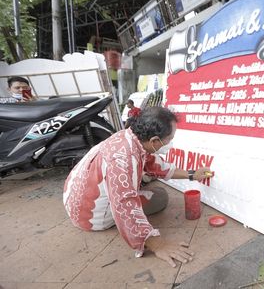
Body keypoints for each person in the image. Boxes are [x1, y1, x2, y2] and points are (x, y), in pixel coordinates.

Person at [63, 107, 212, 267]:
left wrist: (192, 174)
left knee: (150, 190)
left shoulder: (129, 137)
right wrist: (158, 245)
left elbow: (155, 166)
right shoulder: (123, 159)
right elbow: (124, 205)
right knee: (160, 197)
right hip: (90, 217)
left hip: (74, 201)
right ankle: (108, 220)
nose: (170, 143)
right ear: (155, 140)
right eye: (169, 138)